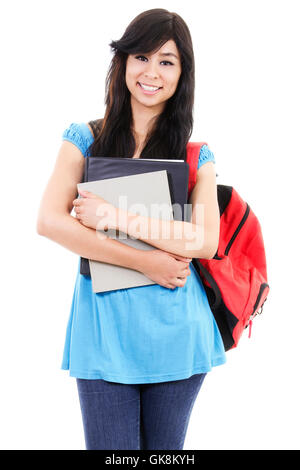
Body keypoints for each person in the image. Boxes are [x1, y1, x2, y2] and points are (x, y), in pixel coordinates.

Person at [36, 8, 226, 450]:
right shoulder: (84, 138)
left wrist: (114, 216)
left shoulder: (197, 155)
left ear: (183, 73)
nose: (151, 72)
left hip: (177, 331)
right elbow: (49, 221)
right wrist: (146, 261)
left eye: (167, 61)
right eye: (141, 56)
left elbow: (204, 240)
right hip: (104, 332)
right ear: (122, 61)